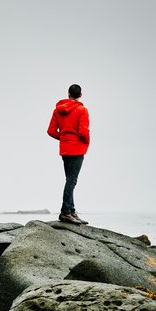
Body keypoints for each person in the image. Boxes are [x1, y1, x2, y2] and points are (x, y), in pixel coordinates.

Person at [47, 84, 90, 225]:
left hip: (65, 148)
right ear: (80, 95)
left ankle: (71, 210)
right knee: (72, 181)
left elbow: (51, 131)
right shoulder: (82, 110)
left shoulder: (57, 110)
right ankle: (66, 212)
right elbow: (83, 132)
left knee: (70, 180)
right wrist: (86, 143)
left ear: (68, 94)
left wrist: (64, 137)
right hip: (77, 148)